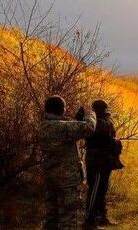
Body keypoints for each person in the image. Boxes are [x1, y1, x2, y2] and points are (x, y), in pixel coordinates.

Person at [38, 96, 96, 230]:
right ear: (61, 110)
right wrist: (90, 113)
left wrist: (77, 120)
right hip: (67, 180)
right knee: (68, 219)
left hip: (50, 177)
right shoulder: (63, 128)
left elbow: (66, 129)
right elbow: (89, 128)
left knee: (51, 217)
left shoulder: (43, 126)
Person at [84, 100, 123, 227]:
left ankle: (101, 217)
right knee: (95, 190)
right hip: (97, 161)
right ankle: (90, 221)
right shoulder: (97, 121)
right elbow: (103, 135)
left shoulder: (97, 120)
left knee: (101, 190)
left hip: (104, 160)